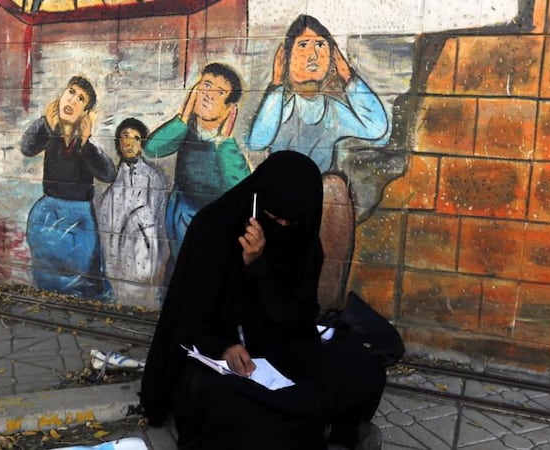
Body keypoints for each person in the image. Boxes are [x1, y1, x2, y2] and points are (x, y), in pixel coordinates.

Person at [140, 151, 386, 449]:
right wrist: (222, 347)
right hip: (220, 361)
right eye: (273, 217)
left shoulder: (305, 240)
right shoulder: (214, 228)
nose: (281, 226)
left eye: (289, 222)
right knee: (215, 396)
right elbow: (187, 317)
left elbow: (299, 319)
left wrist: (259, 268)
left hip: (281, 350)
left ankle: (303, 423)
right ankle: (324, 426)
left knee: (365, 367)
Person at [246, 14, 389, 310]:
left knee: (334, 188)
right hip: (278, 211)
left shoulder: (333, 110)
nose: (313, 55)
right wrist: (276, 85)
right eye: (303, 46)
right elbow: (258, 140)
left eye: (321, 46)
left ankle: (324, 308)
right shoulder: (282, 106)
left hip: (315, 211)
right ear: (286, 57)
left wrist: (349, 78)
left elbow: (377, 129)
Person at [143, 62, 250, 277]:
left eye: (220, 92)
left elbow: (241, 187)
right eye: (206, 85)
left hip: (214, 221)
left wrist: (225, 141)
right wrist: (183, 116)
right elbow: (151, 148)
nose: (209, 95)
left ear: (229, 109)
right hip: (181, 214)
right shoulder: (185, 131)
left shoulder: (226, 147)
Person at [21, 76, 116, 299]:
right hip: (48, 214)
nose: (72, 100)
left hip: (78, 218)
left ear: (85, 113)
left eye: (80, 99)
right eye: (71, 92)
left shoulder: (85, 146)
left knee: (81, 275)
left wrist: (85, 141)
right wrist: (46, 123)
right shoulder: (49, 132)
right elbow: (27, 147)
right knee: (47, 274)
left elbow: (108, 173)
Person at [97, 118, 168, 305]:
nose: (129, 143)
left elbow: (158, 219)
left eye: (136, 138)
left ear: (142, 143)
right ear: (119, 142)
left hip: (143, 250)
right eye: (125, 136)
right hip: (116, 253)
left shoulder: (152, 177)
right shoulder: (112, 179)